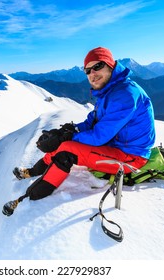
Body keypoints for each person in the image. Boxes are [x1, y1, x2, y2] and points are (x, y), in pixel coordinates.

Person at [14, 47, 156, 200]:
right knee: (64, 143)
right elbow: (92, 122)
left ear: (110, 65)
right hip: (115, 146)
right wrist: (69, 131)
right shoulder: (110, 91)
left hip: (130, 157)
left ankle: (32, 196)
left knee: (67, 150)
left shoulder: (125, 94)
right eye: (87, 71)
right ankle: (34, 171)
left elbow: (99, 135)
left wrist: (66, 139)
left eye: (97, 66)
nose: (92, 74)